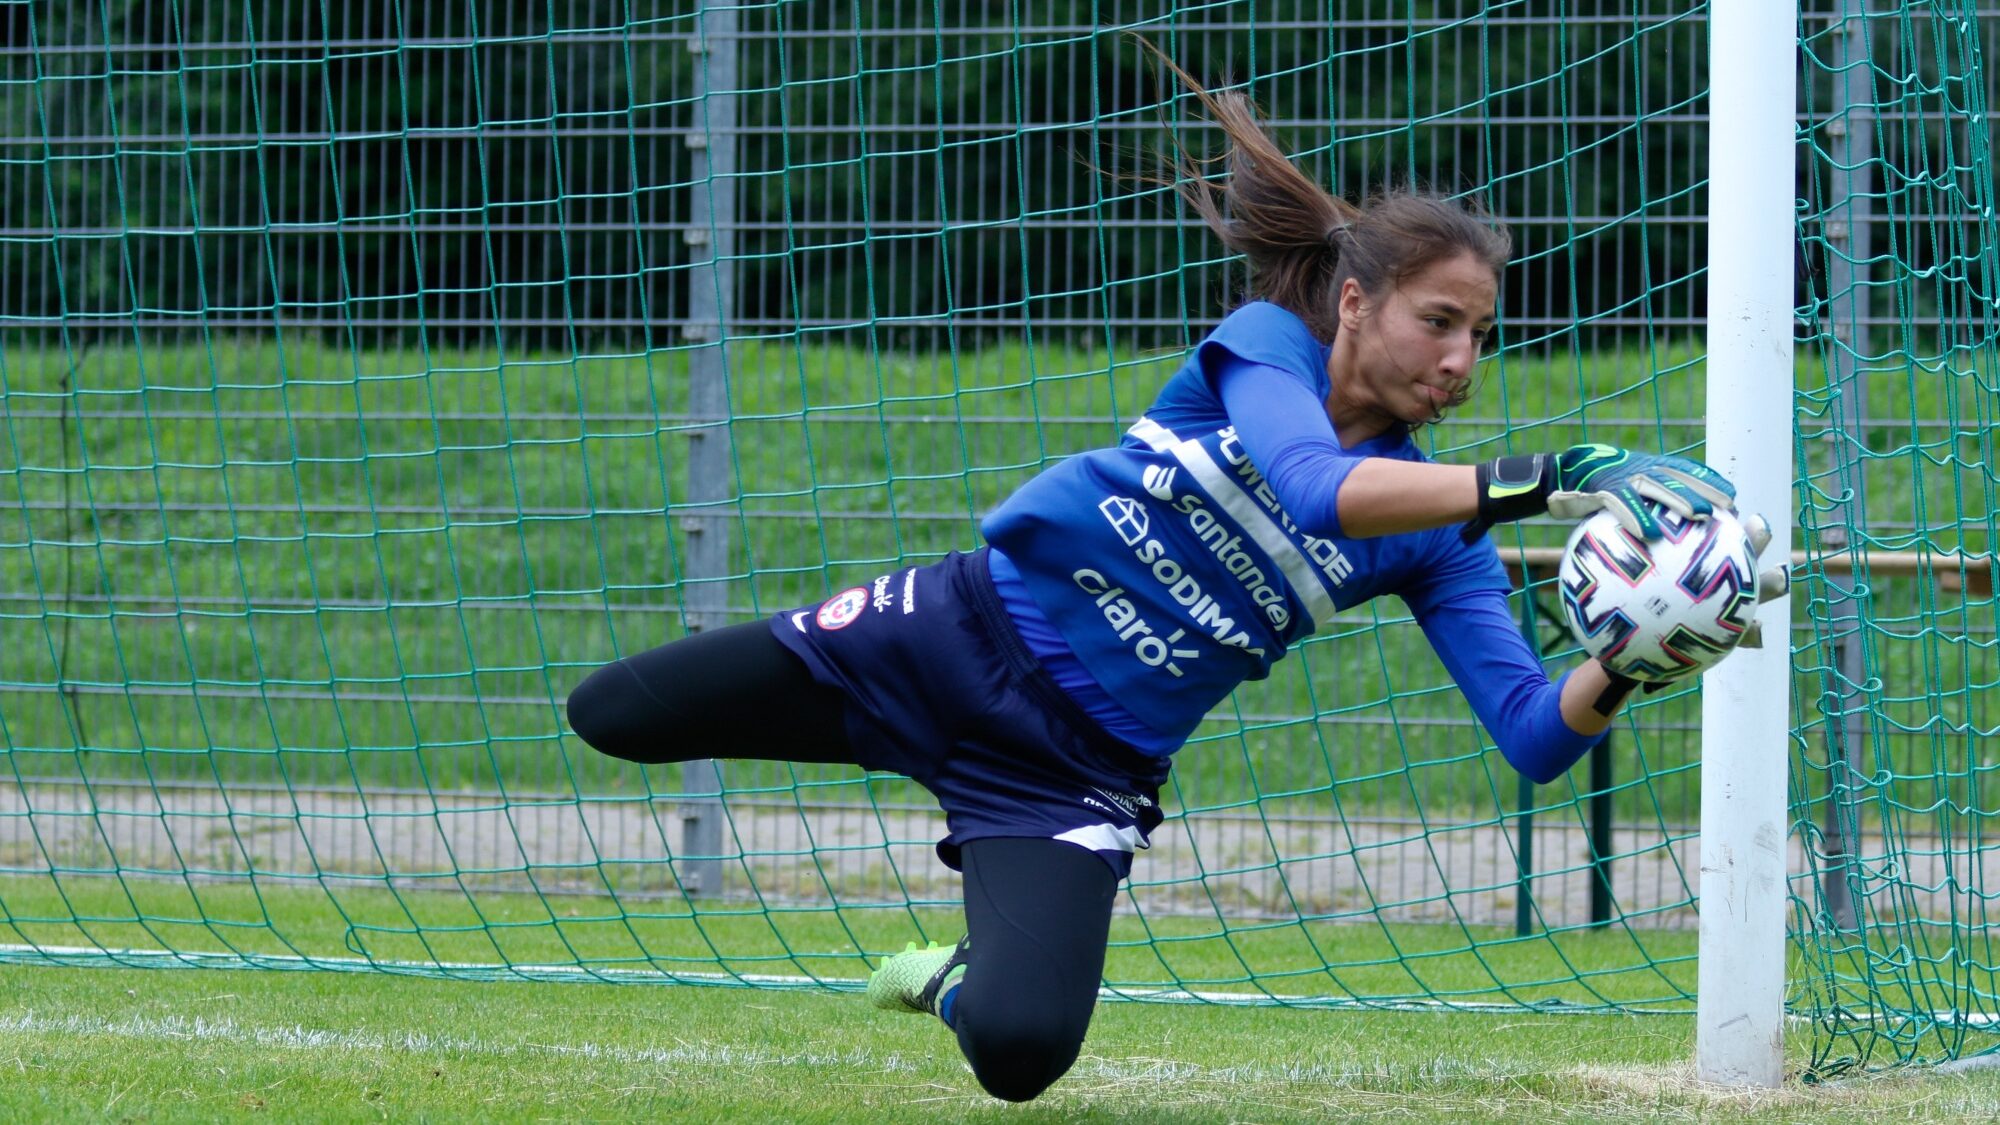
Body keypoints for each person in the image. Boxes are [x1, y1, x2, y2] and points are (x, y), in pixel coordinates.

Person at [563, 60, 1736, 1104]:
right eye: (1438, 323)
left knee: (1020, 1055)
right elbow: (1315, 486)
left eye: (1478, 337)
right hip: (939, 637)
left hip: (1067, 769)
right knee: (610, 714)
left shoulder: (1437, 533)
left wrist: (1624, 663)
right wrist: (1546, 477)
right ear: (1350, 303)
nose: (1458, 362)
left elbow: (1532, 735)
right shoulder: (1261, 349)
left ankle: (950, 978)